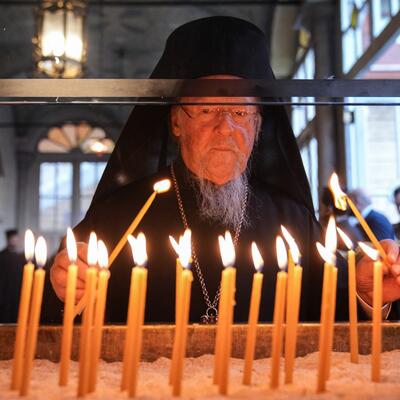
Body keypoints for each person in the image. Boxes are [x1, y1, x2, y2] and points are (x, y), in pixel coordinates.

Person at [46, 16, 400, 324]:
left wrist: (368, 294)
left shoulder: (292, 219)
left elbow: (329, 318)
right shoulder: (119, 216)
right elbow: (61, 311)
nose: (225, 127)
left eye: (241, 113)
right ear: (176, 122)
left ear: (259, 126)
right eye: (206, 110)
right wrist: (67, 288)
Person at [0, 229, 25, 323]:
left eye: (15, 239)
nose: (14, 241)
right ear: (8, 240)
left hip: (17, 293)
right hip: (5, 294)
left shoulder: (20, 257)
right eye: (12, 239)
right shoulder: (2, 256)